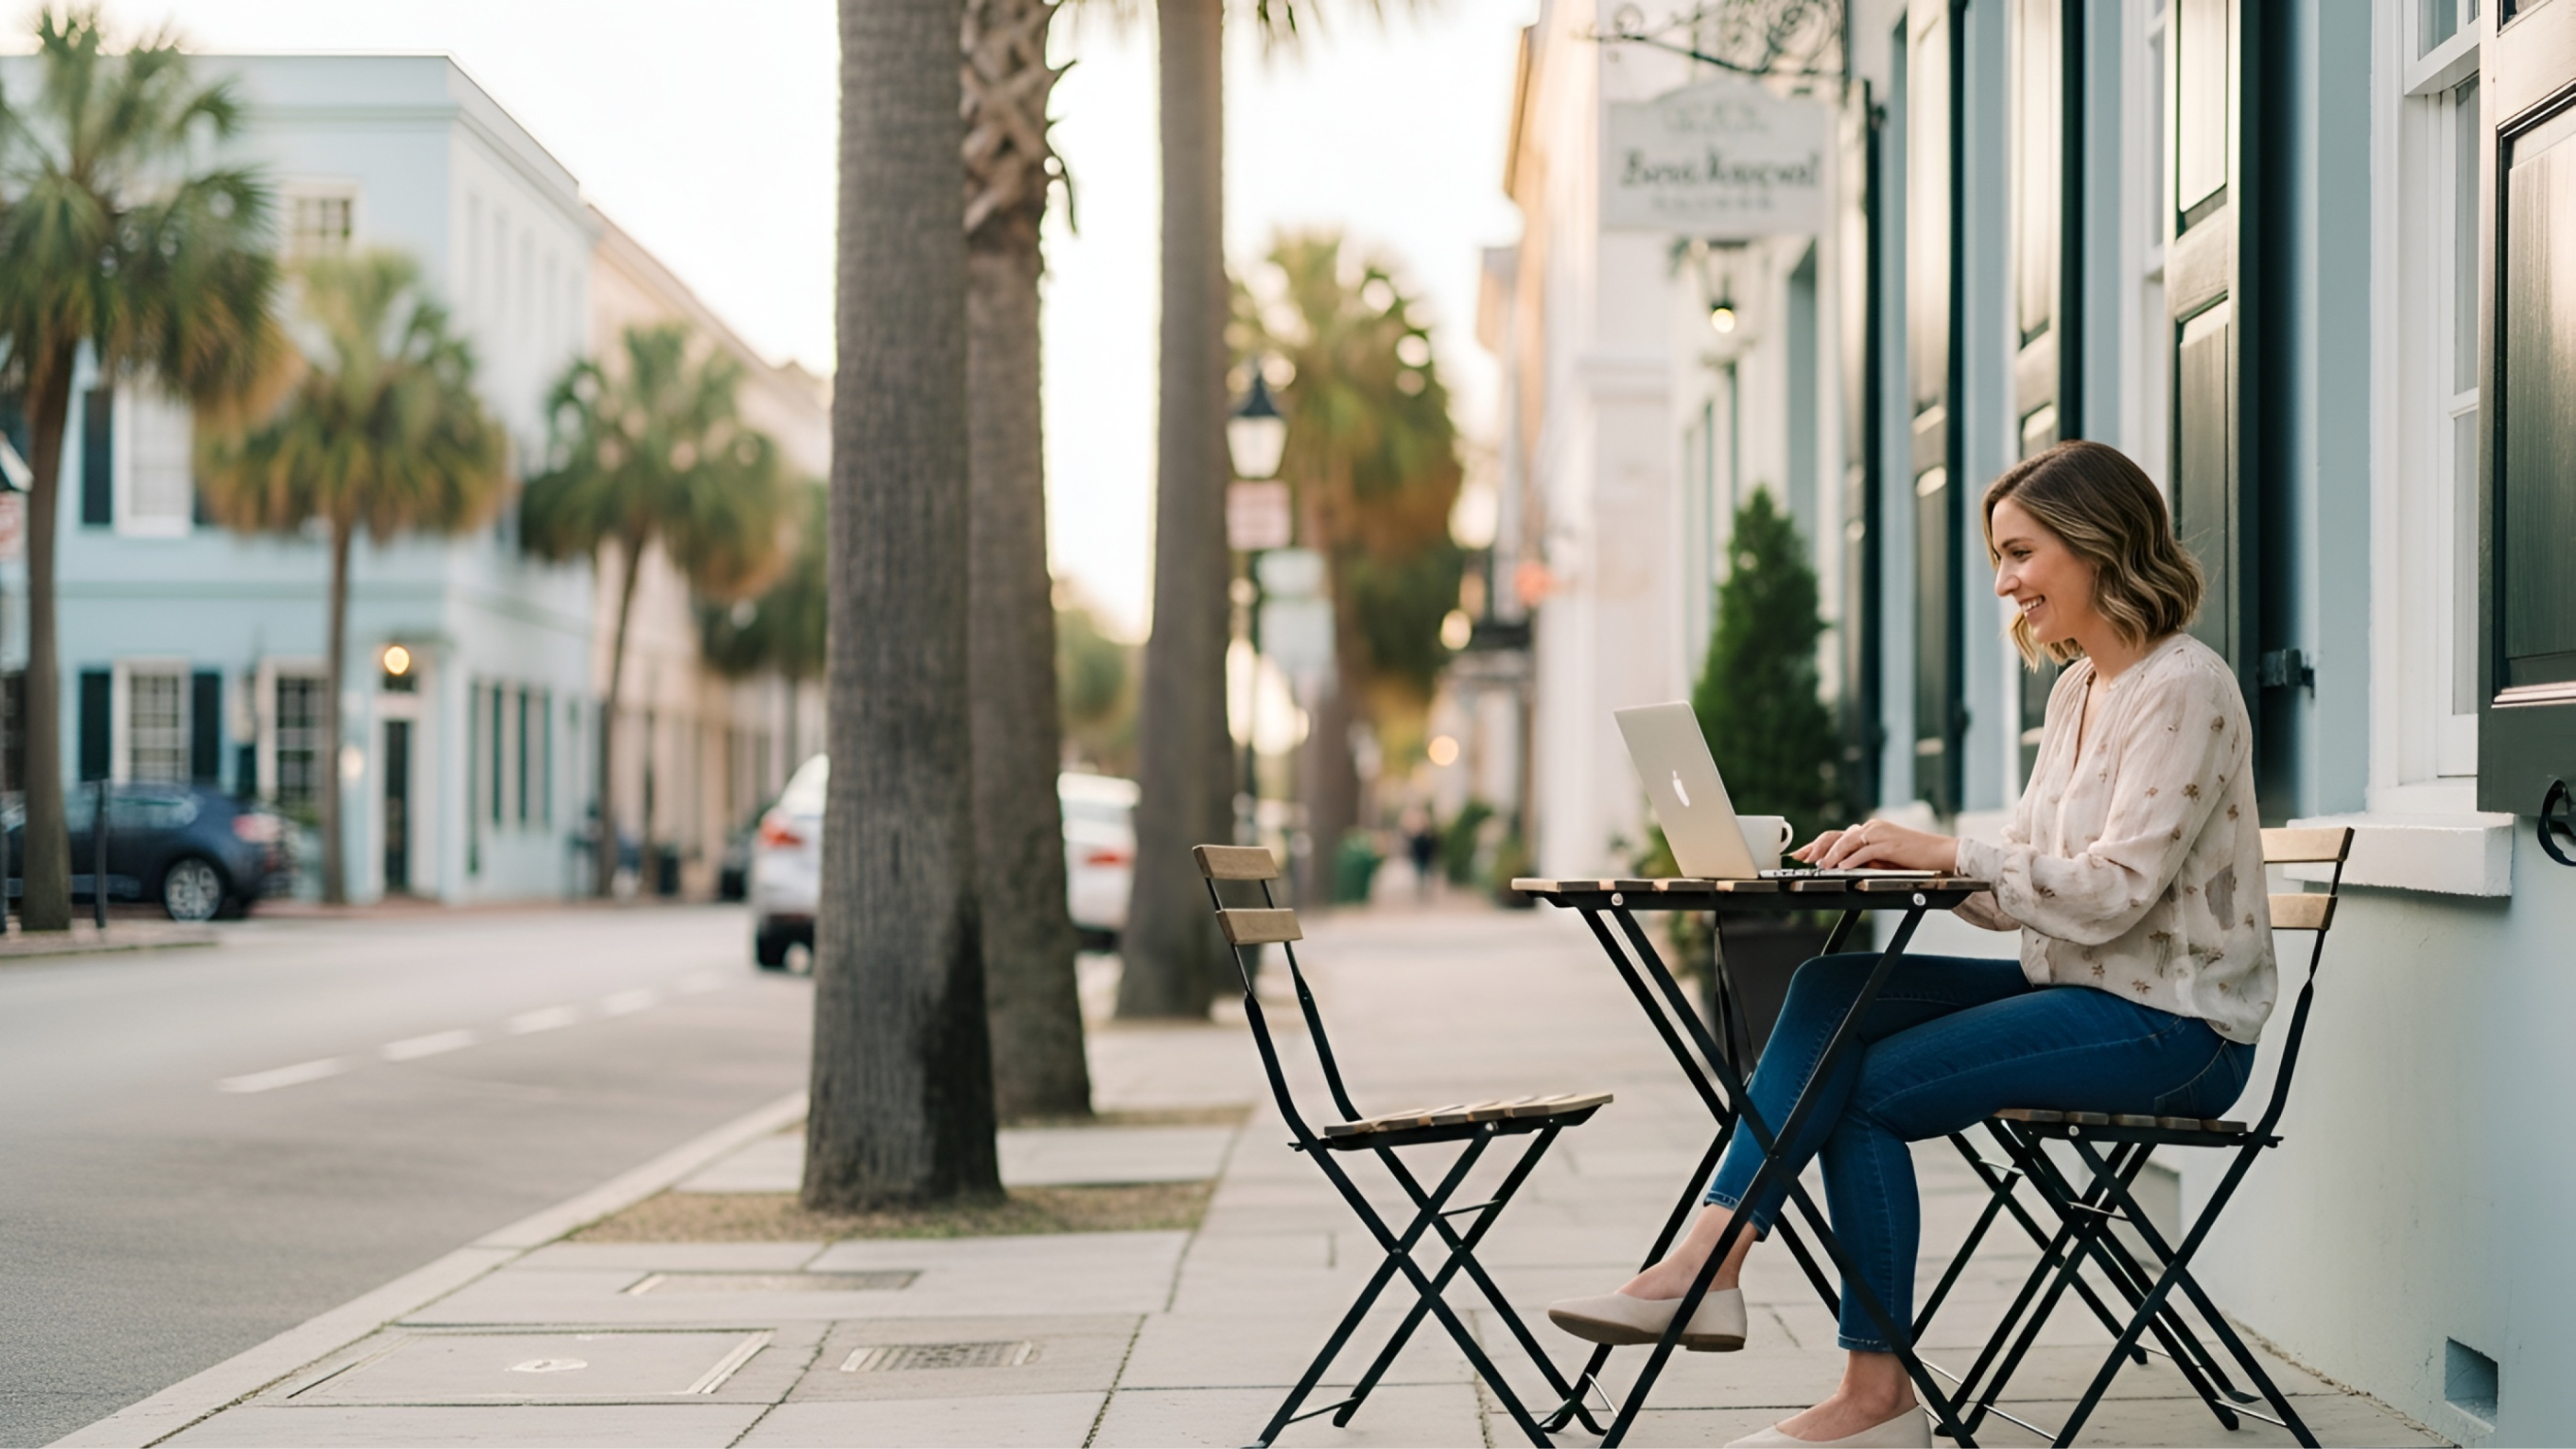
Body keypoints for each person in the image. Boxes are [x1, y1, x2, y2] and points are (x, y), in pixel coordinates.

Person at [1545, 440, 2275, 1449]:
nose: (2005, 582)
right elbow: (2026, 886)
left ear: (2094, 541)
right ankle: (1711, 1265)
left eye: (2020, 553)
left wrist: (1949, 850)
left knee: (1867, 1088)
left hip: (2177, 1027)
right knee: (1828, 986)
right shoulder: (2076, 693)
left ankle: (1866, 1392)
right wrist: (1905, 863)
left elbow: (2112, 892)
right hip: (2079, 991)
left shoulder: (2183, 685)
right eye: (1999, 558)